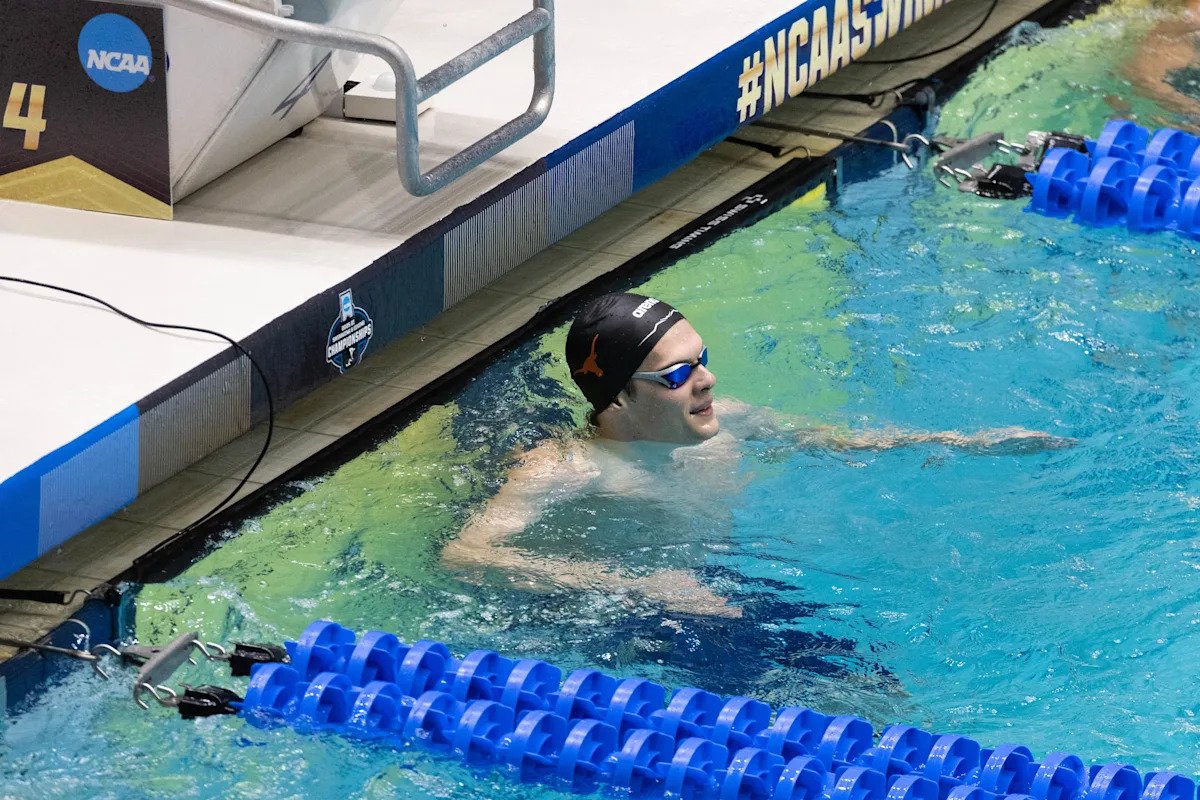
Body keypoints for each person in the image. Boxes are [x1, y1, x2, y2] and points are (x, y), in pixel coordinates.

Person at [442, 293, 1072, 618]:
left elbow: (837, 440)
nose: (708, 381)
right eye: (677, 374)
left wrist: (957, 445)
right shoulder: (567, 470)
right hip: (631, 609)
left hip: (707, 584)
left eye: (702, 360)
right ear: (620, 401)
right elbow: (467, 553)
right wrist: (632, 586)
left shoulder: (731, 417)